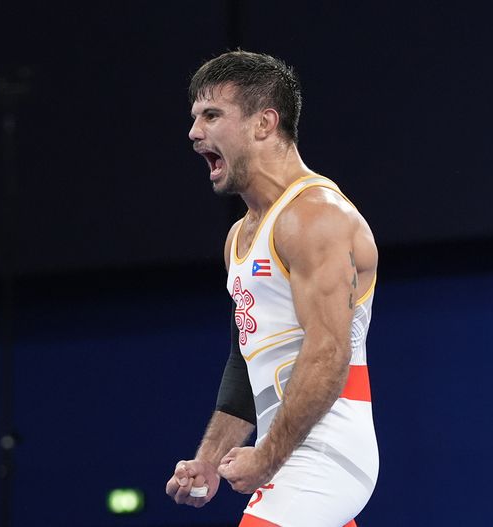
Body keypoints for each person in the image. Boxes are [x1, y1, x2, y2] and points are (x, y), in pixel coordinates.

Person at [165, 51, 379, 527]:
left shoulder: (315, 215)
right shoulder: (239, 238)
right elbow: (247, 359)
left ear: (264, 123)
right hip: (293, 453)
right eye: (194, 118)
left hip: (326, 452)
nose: (194, 133)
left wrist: (265, 457)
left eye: (212, 115)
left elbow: (328, 353)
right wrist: (210, 458)